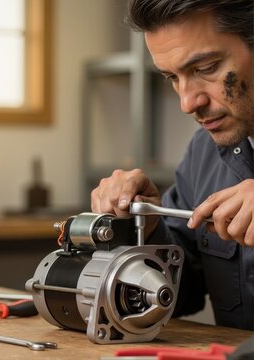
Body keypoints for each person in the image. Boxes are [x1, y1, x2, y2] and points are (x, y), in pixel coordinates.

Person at [90, 0, 253, 330]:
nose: (187, 102)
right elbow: (181, 293)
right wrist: (145, 227)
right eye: (171, 77)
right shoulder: (203, 152)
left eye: (205, 68)